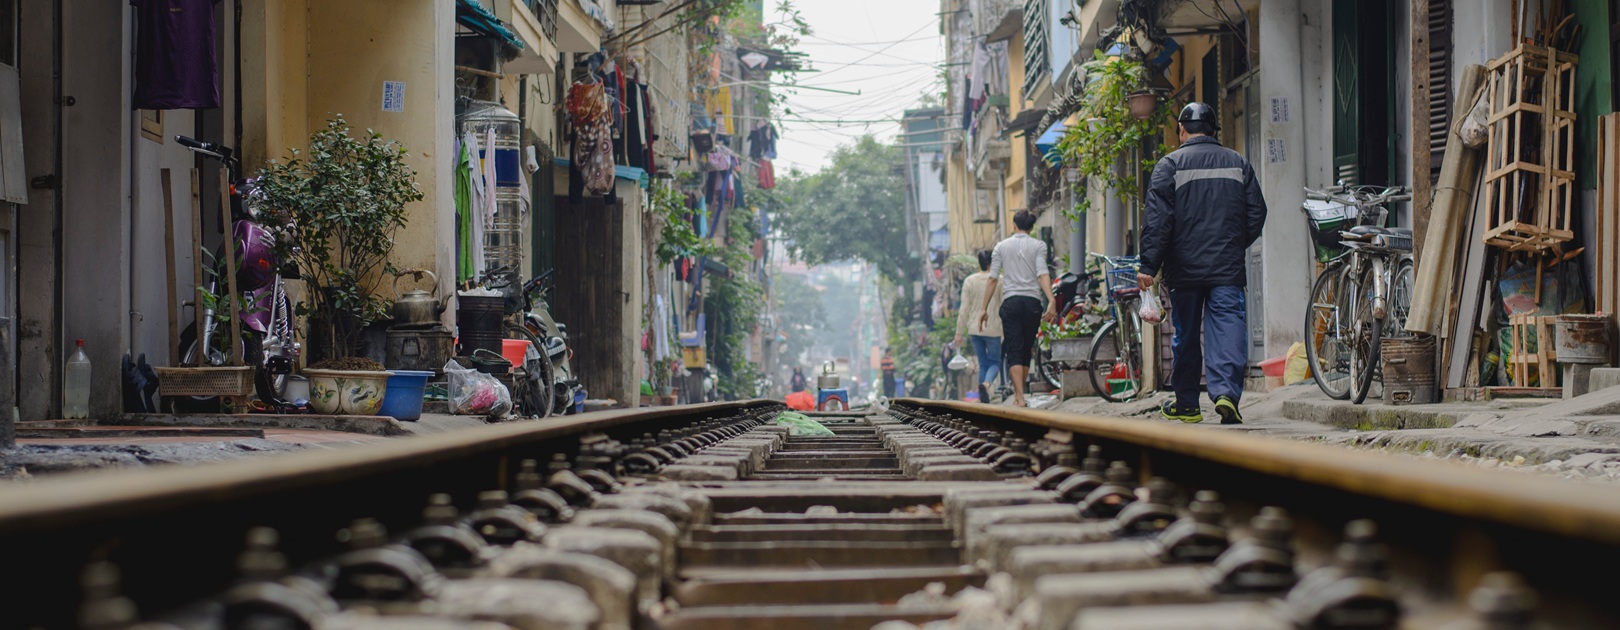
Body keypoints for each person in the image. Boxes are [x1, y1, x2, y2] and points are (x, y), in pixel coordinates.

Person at [1138, 102, 1268, 425]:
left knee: (1186, 333)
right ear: (1213, 130)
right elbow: (1257, 213)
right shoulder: (1238, 163)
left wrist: (1149, 266)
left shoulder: (1169, 166)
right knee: (1227, 325)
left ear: (1182, 130)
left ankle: (1187, 404)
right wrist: (1234, 244)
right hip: (1227, 266)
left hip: (1184, 269)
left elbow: (1157, 222)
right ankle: (1226, 394)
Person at [979, 210, 1056, 407]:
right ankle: (1020, 396)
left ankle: (1019, 397)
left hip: (1011, 302)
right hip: (1032, 303)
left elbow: (993, 278)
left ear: (1014, 225)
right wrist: (1051, 299)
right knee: (1025, 349)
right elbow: (1042, 274)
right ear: (1030, 228)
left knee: (1014, 349)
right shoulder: (1039, 246)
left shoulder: (1000, 247)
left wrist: (983, 308)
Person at [955, 249, 1003, 404]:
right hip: (993, 327)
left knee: (983, 363)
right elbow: (1003, 306)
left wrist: (958, 332)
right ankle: (987, 384)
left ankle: (983, 400)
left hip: (975, 329)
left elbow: (964, 309)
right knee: (995, 362)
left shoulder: (970, 281)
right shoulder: (999, 280)